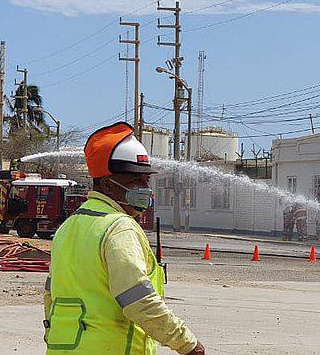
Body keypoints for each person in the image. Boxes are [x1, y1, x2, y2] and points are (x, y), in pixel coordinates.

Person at [44, 122, 205, 354]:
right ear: (108, 185)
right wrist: (187, 344)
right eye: (135, 181)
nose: (145, 188)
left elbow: (51, 295)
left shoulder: (68, 227)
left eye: (146, 180)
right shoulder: (118, 228)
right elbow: (139, 300)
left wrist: (53, 335)